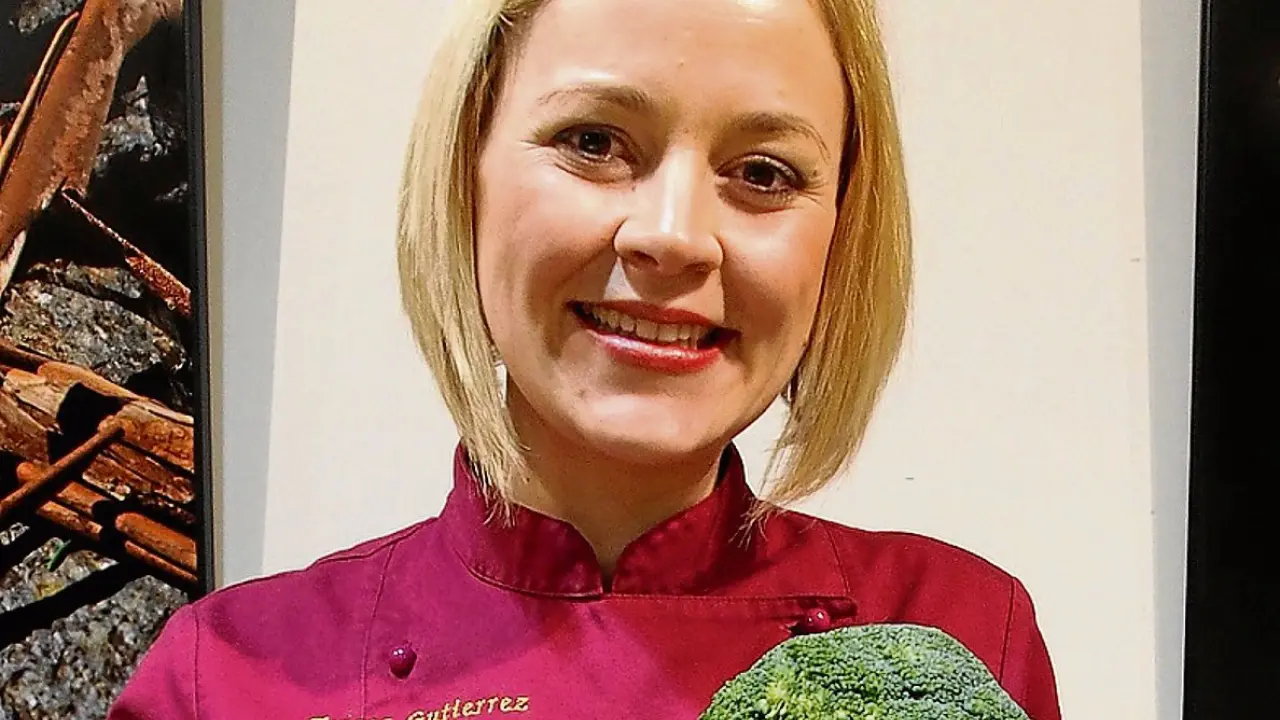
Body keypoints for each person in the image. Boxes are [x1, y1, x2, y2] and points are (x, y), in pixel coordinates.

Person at [110, 0, 1062, 717]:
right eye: (595, 142)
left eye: (763, 172)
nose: (673, 236)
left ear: (841, 233)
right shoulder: (225, 681)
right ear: (465, 174)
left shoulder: (966, 630)